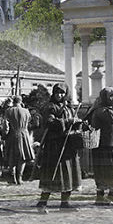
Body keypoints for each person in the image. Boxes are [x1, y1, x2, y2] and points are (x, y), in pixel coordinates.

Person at [35, 83, 81, 212]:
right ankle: (42, 203)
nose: (59, 95)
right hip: (54, 146)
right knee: (53, 173)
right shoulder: (51, 107)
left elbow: (74, 122)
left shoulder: (69, 107)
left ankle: (65, 203)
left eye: (62, 93)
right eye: (57, 93)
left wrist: (79, 124)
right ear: (53, 93)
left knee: (68, 174)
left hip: (68, 145)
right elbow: (50, 122)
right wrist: (67, 122)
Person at [90, 87, 113, 204]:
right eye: (112, 96)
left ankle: (112, 194)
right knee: (104, 171)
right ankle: (100, 197)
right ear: (105, 98)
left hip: (112, 144)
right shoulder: (101, 111)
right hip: (104, 146)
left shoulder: (109, 109)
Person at [5, 95, 33, 185]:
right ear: (21, 101)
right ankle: (20, 177)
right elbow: (29, 121)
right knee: (23, 157)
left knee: (12, 156)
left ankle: (13, 177)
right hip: (24, 134)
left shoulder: (9, 111)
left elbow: (5, 125)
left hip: (13, 134)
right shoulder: (26, 111)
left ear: (13, 101)